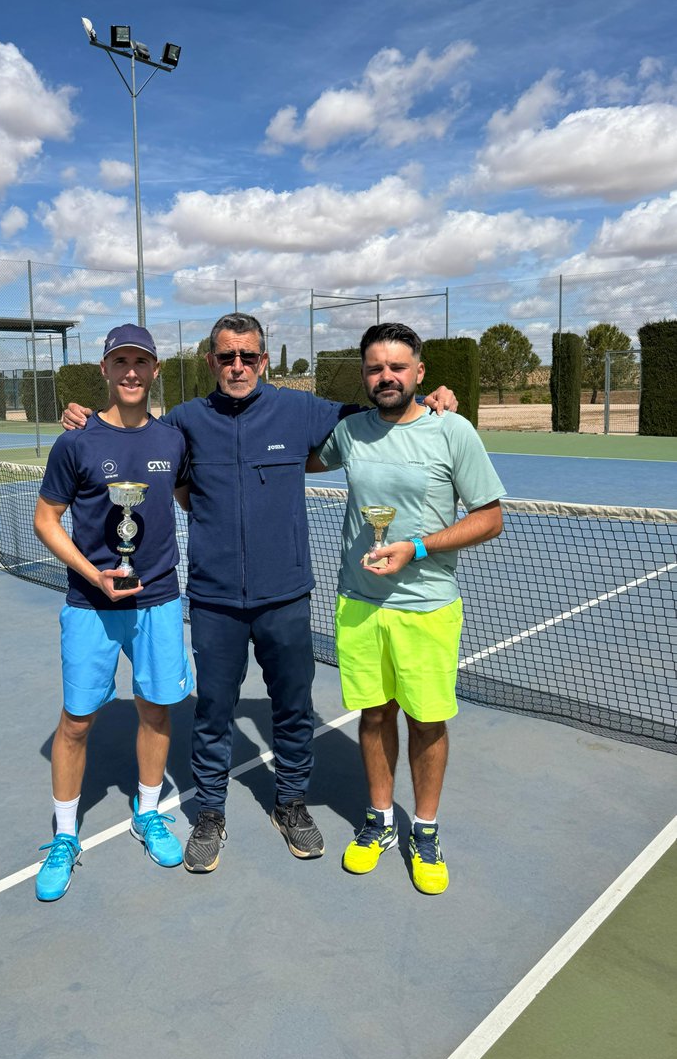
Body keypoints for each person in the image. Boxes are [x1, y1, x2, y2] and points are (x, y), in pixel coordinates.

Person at [62, 313, 458, 873]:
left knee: (293, 709)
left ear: (265, 360)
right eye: (227, 357)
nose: (238, 366)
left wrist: (435, 395)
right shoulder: (183, 423)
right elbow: (137, 446)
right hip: (214, 598)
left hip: (286, 596)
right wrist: (80, 418)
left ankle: (290, 803)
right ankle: (210, 814)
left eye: (248, 356)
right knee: (214, 712)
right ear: (211, 362)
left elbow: (384, 413)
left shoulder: (301, 411)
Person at [308, 322, 504, 894]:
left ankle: (424, 828)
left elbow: (490, 518)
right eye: (375, 368)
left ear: (420, 372)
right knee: (373, 716)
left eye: (398, 367)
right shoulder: (349, 433)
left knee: (427, 721)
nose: (386, 376)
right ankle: (378, 821)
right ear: (364, 375)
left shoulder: (453, 431)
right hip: (359, 605)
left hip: (427, 609)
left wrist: (417, 546)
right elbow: (280, 455)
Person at [32, 323, 194, 902]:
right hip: (90, 604)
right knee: (76, 721)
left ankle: (147, 812)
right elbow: (45, 518)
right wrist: (92, 572)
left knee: (155, 711)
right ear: (104, 369)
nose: (130, 371)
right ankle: (65, 836)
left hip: (158, 601)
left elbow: (191, 498)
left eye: (141, 361)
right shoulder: (75, 441)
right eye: (119, 360)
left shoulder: (173, 439)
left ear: (154, 371)